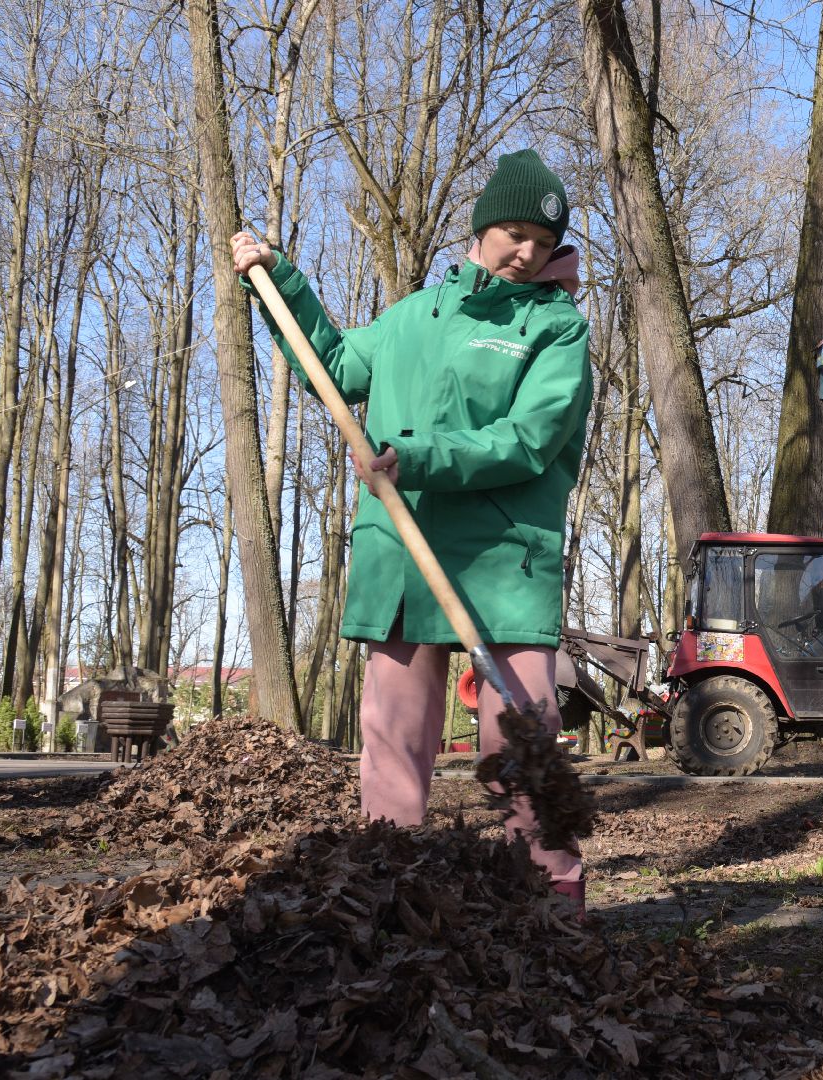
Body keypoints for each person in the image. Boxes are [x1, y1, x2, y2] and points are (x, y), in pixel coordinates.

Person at [232, 149, 593, 905]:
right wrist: (278, 281)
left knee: (519, 744)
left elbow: (531, 438)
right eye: (513, 231)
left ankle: (551, 900)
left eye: (541, 240)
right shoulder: (411, 317)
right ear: (483, 224)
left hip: (501, 560)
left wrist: (419, 457)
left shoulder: (555, 330)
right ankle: (383, 889)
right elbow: (330, 363)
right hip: (401, 552)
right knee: (393, 742)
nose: (525, 252)